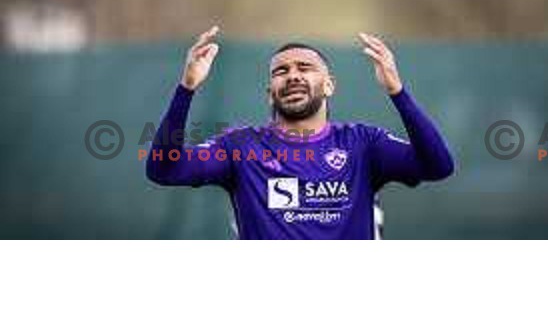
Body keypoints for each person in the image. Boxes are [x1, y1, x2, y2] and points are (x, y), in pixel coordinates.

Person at [146, 26, 455, 239]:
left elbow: (438, 166)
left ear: (330, 85)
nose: (292, 76)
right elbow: (164, 169)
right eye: (281, 71)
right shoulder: (241, 147)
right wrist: (186, 89)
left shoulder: (364, 143)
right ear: (270, 93)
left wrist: (397, 92)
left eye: (305, 68)